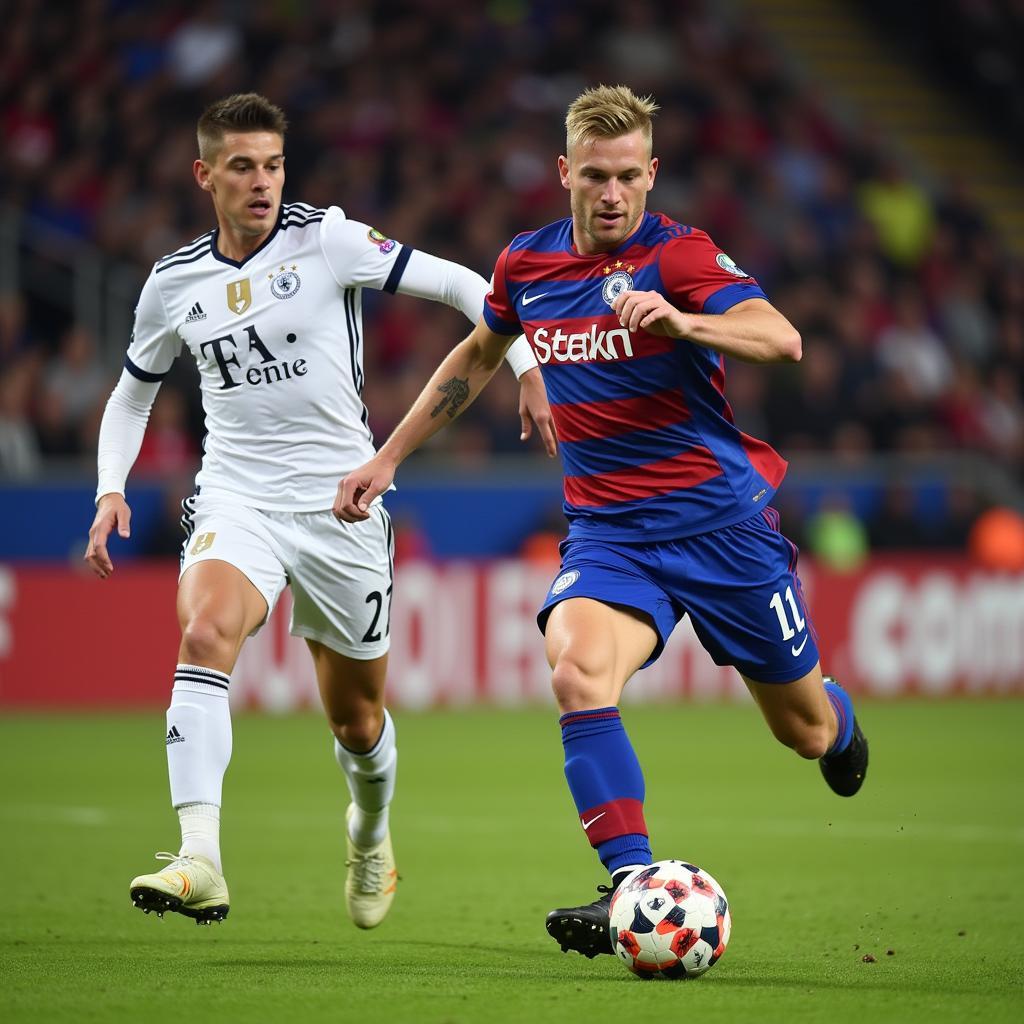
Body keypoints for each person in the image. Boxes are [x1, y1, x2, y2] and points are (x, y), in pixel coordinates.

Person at [335, 85, 868, 958]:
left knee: (803, 730)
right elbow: (478, 352)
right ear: (564, 174)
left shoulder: (681, 257)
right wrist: (387, 457)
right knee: (578, 672)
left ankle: (840, 723)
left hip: (724, 531)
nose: (613, 193)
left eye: (628, 176)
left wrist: (684, 321)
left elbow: (783, 339)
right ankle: (630, 885)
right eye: (594, 176)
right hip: (611, 536)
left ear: (652, 174)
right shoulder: (525, 266)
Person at [84, 93, 555, 929]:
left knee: (357, 718)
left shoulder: (328, 239)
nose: (261, 182)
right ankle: (200, 858)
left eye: (272, 164)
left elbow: (465, 286)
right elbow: (130, 396)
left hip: (344, 502)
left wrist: (522, 364)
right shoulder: (172, 284)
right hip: (237, 496)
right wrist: (109, 488)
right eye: (241, 167)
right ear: (205, 176)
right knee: (202, 635)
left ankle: (370, 833)